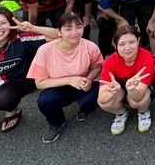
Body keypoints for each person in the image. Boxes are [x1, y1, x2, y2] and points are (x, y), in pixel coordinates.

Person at [27, 12, 104, 144]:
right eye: (68, 29)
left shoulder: (90, 46)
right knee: (46, 101)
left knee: (93, 97)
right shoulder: (45, 50)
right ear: (59, 31)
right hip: (57, 87)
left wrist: (89, 79)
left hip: (82, 83)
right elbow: (39, 83)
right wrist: (70, 80)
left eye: (78, 27)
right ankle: (56, 122)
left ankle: (86, 109)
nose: (74, 32)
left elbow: (97, 67)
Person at [97, 26, 155, 135]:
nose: (127, 48)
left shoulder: (147, 57)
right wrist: (111, 92)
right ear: (115, 45)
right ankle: (121, 112)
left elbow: (138, 96)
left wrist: (131, 90)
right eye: (122, 44)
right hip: (121, 86)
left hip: (144, 87)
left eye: (132, 42)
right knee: (105, 103)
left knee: (136, 102)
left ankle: (143, 112)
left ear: (138, 41)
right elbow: (102, 99)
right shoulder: (109, 62)